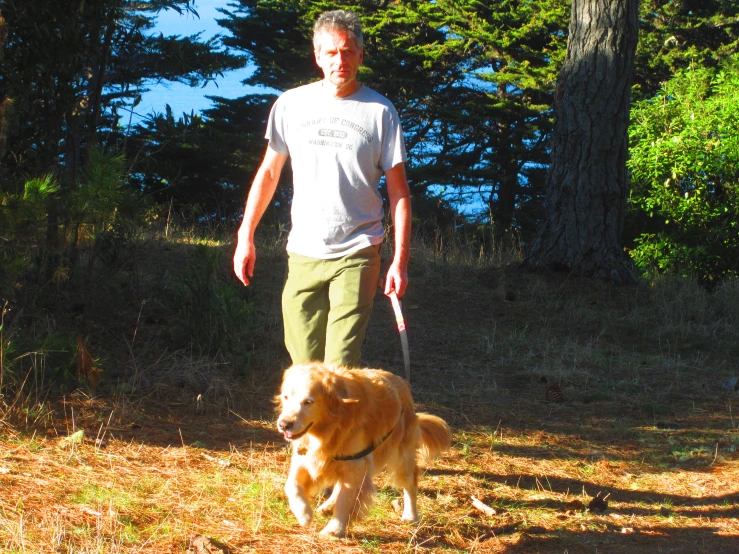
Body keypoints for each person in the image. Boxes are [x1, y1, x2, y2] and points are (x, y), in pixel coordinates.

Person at [232, 9, 411, 368]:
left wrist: (399, 262)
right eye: (330, 53)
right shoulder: (290, 105)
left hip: (359, 250)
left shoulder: (380, 112)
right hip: (304, 251)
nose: (339, 61)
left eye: (347, 51)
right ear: (317, 56)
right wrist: (245, 236)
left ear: (361, 54)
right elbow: (268, 173)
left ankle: (338, 423)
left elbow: (399, 194)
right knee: (304, 369)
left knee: (339, 365)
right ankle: (315, 426)